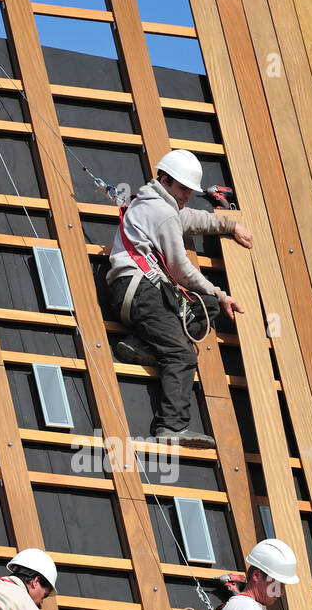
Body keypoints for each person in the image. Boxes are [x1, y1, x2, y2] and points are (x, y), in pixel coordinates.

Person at [107, 150, 252, 448]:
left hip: (136, 291)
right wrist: (221, 294)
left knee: (206, 307)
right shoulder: (162, 213)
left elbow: (190, 219)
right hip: (142, 292)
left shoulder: (154, 201)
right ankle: (171, 427)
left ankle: (143, 345)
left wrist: (229, 224)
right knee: (183, 355)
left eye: (190, 190)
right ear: (166, 180)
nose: (187, 195)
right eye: (183, 188)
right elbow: (180, 269)